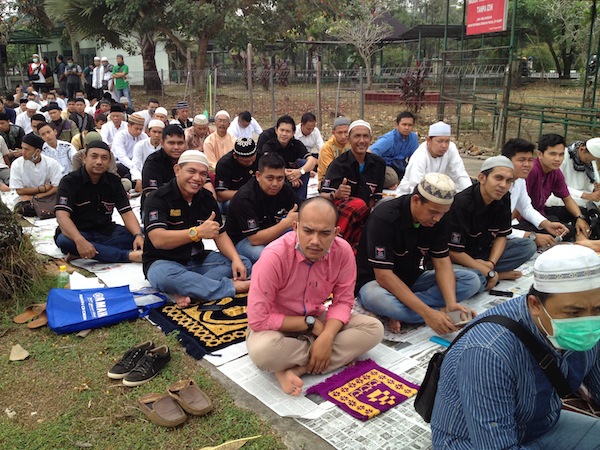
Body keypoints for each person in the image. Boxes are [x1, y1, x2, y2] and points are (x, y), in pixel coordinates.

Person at [431, 244, 600, 449]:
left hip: (540, 424)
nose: (588, 321)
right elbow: (495, 445)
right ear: (535, 305)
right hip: (473, 442)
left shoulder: (591, 325)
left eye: (598, 308)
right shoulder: (488, 352)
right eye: (573, 313)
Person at [246, 197, 384, 396]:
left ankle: (296, 368)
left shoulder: (343, 252)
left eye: (325, 233)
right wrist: (310, 325)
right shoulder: (274, 256)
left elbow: (343, 301)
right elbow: (259, 319)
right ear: (295, 227)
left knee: (373, 329)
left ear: (336, 232)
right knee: (264, 353)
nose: (315, 241)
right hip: (277, 325)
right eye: (308, 231)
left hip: (316, 318)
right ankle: (325, 358)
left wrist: (327, 337)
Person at [356, 173, 480, 334]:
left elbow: (442, 262)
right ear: (416, 200)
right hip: (376, 283)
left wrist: (451, 304)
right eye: (433, 212)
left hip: (412, 278)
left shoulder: (440, 219)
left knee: (471, 280)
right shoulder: (384, 216)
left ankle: (407, 312)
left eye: (443, 213)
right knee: (378, 299)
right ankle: (429, 311)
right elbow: (383, 276)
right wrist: (428, 313)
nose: (437, 218)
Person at [143, 150, 252, 308]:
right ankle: (230, 287)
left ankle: (189, 289)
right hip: (164, 261)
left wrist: (235, 259)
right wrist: (197, 232)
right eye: (191, 171)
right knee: (163, 276)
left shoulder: (206, 198)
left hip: (198, 260)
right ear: (177, 170)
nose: (197, 178)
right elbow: (158, 240)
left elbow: (220, 234)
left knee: (243, 263)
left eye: (202, 174)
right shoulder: (158, 198)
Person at [448, 156, 537, 292]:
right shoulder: (462, 204)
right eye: (498, 178)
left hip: (483, 255)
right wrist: (485, 269)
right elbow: (453, 251)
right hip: (458, 259)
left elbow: (502, 235)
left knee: (528, 245)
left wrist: (490, 263)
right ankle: (493, 276)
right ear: (482, 178)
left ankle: (487, 275)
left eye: (509, 181)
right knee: (471, 281)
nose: (503, 185)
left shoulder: (504, 197)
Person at [54, 140, 143, 263]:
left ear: (109, 161)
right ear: (85, 158)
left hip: (107, 232)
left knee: (142, 233)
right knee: (64, 241)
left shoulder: (114, 182)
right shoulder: (69, 181)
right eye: (94, 156)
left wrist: (138, 236)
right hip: (79, 232)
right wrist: (80, 241)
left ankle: (91, 252)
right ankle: (128, 256)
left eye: (104, 158)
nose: (99, 162)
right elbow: (62, 216)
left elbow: (126, 212)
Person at [320, 120, 386, 252]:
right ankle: (335, 242)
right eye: (357, 136)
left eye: (365, 136)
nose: (361, 140)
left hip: (365, 215)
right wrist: (336, 194)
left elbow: (376, 198)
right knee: (357, 204)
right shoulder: (338, 164)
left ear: (371, 139)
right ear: (349, 139)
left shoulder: (379, 164)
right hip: (341, 215)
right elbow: (323, 196)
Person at [226, 152, 299, 264]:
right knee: (269, 256)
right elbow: (255, 239)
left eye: (280, 178)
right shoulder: (245, 198)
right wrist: (286, 223)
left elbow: (302, 208)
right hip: (244, 240)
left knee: (304, 240)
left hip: (272, 229)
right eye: (270, 178)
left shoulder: (284, 189)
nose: (275, 184)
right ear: (258, 176)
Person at [502, 138, 570, 248]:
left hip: (505, 230)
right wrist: (531, 236)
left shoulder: (519, 180)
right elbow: (493, 227)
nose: (527, 164)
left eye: (530, 160)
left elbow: (525, 208)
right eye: (521, 160)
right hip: (489, 235)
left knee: (556, 228)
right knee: (528, 245)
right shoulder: (498, 185)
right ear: (507, 161)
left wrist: (546, 224)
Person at [525, 133, 591, 240]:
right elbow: (521, 208)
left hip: (542, 211)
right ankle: (583, 243)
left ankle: (583, 240)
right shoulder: (532, 170)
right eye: (553, 154)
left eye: (561, 155)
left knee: (582, 212)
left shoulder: (555, 172)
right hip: (527, 218)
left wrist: (580, 218)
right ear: (540, 154)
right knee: (566, 230)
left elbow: (567, 199)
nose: (557, 159)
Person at [397, 121, 472, 195]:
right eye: (440, 141)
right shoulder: (420, 156)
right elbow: (417, 186)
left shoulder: (451, 148)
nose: (444, 145)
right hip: (412, 196)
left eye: (447, 141)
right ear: (429, 140)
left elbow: (460, 174)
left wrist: (470, 194)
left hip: (439, 193)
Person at [259, 115, 317, 199]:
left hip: (294, 176)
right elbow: (270, 166)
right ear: (276, 130)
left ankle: (300, 202)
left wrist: (300, 172)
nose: (284, 134)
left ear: (293, 133)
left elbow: (312, 161)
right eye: (282, 130)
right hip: (276, 178)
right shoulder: (268, 145)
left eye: (288, 131)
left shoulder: (296, 144)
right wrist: (290, 176)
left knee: (304, 163)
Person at [9, 133, 62, 216]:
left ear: (37, 151)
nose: (23, 152)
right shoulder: (17, 164)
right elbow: (19, 190)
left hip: (47, 197)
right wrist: (41, 189)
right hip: (25, 198)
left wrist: (37, 196)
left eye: (27, 149)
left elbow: (57, 187)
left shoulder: (51, 163)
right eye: (22, 148)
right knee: (21, 209)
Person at [546, 137, 600, 212]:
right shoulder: (562, 157)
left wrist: (594, 189)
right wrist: (586, 195)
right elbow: (556, 186)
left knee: (596, 201)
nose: (590, 162)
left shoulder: (590, 162)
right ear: (582, 150)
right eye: (589, 159)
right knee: (555, 199)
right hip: (561, 194)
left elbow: (588, 184)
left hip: (579, 195)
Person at [370, 111, 419, 184]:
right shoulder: (388, 139)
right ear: (397, 125)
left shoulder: (413, 138)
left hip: (400, 165)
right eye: (404, 124)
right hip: (385, 165)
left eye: (410, 125)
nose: (407, 128)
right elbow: (369, 152)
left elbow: (415, 158)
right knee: (392, 179)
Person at [215, 137, 258, 209]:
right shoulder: (225, 164)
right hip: (233, 198)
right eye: (246, 161)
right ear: (235, 156)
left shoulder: (260, 157)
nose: (250, 163)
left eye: (253, 160)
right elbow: (220, 194)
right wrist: (248, 194)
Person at [130, 119, 164, 192]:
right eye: (154, 132)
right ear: (148, 132)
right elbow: (136, 165)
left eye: (160, 132)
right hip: (143, 177)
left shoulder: (165, 146)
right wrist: (139, 179)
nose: (157, 135)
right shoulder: (140, 145)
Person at [112, 113, 147, 179]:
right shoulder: (120, 136)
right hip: (122, 163)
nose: (139, 131)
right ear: (129, 126)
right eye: (136, 129)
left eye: (141, 129)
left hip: (138, 164)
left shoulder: (143, 136)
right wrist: (134, 167)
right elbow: (121, 156)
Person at [317, 116, 351, 186]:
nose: (343, 136)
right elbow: (331, 171)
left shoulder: (352, 143)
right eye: (340, 133)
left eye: (346, 132)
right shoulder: (327, 148)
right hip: (329, 181)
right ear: (333, 132)